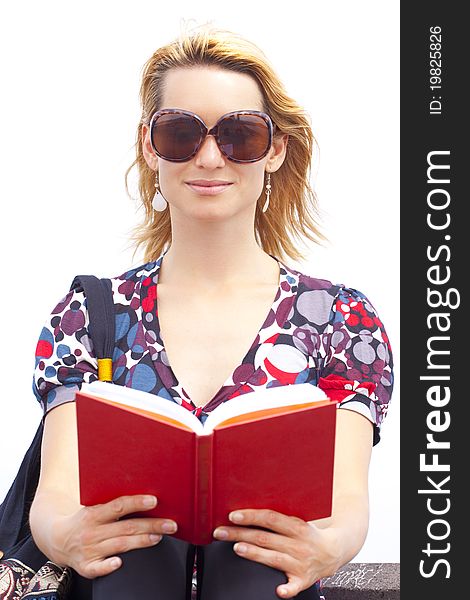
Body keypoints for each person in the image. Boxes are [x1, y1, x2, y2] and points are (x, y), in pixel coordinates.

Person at [28, 26, 394, 600]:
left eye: (239, 135)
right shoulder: (90, 313)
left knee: (255, 562)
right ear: (149, 147)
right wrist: (67, 537)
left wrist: (328, 545)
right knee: (135, 558)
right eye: (179, 132)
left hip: (261, 582)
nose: (208, 156)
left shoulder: (342, 320)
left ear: (274, 150)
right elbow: (55, 494)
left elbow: (347, 501)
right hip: (128, 582)